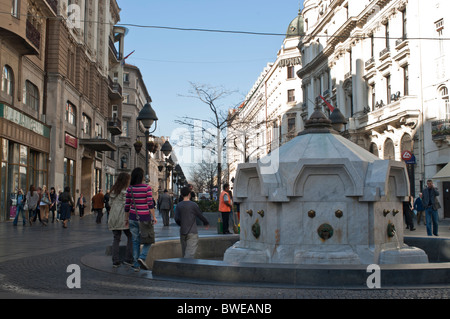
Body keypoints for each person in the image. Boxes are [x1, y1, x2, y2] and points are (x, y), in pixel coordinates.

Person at [124, 167, 157, 271]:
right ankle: (142, 258)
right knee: (149, 240)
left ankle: (136, 265)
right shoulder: (147, 188)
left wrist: (126, 219)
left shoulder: (130, 189)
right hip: (145, 218)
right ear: (142, 177)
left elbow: (127, 206)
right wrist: (154, 217)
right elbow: (150, 204)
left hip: (133, 218)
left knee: (135, 241)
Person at [175, 186, 210, 258]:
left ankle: (184, 268)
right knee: (189, 255)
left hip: (182, 232)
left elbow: (176, 219)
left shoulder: (178, 205)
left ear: (181, 195)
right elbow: (200, 215)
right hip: (192, 232)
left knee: (184, 253)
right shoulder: (193, 205)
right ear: (189, 194)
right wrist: (206, 222)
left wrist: (182, 224)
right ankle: (187, 268)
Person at [108, 173, 133, 268]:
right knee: (130, 236)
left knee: (116, 238)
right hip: (124, 216)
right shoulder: (126, 191)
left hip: (114, 216)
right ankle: (128, 259)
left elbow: (110, 203)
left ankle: (115, 261)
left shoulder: (114, 190)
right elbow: (128, 204)